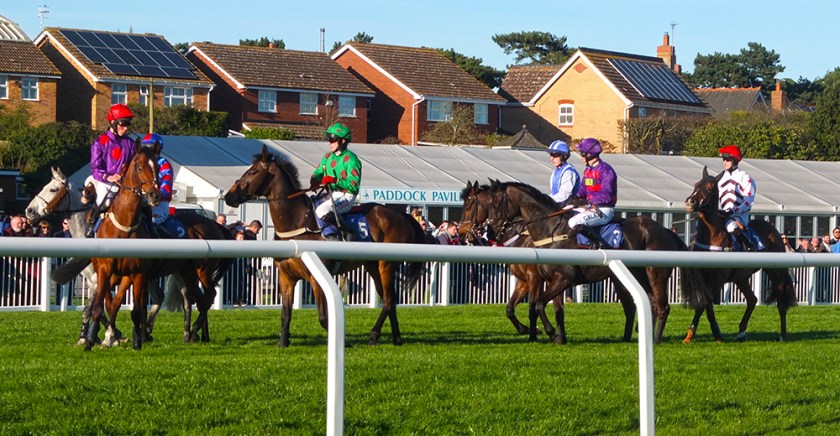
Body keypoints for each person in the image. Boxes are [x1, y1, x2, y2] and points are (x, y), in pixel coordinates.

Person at [85, 103, 137, 237]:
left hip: (125, 183)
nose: (126, 128)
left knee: (142, 202)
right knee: (104, 201)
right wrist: (109, 177)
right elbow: (95, 169)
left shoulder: (130, 143)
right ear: (113, 122)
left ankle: (151, 228)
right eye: (123, 124)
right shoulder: (99, 142)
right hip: (106, 182)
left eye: (128, 124)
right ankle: (91, 227)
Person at [309, 122, 361, 241]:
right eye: (328, 139)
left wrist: (335, 180)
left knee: (322, 210)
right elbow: (318, 171)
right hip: (331, 194)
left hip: (347, 196)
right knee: (310, 205)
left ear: (343, 141)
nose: (329, 142)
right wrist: (315, 179)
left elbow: (354, 186)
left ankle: (347, 233)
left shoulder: (352, 160)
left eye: (332, 139)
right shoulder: (327, 157)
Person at [568, 138, 617, 249]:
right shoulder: (588, 171)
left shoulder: (606, 170)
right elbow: (583, 190)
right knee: (566, 214)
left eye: (582, 153)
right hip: (590, 208)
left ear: (589, 154)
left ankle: (599, 244)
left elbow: (607, 195)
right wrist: (576, 198)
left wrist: (587, 201)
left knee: (573, 222)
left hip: (603, 210)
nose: (581, 157)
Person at [717, 144, 756, 252]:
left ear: (735, 160)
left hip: (740, 216)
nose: (725, 161)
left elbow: (749, 202)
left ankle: (748, 245)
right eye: (723, 159)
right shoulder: (721, 177)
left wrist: (734, 211)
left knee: (731, 227)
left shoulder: (744, 177)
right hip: (724, 214)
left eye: (727, 159)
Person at [141, 133, 174, 237]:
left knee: (153, 223)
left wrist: (152, 196)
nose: (149, 150)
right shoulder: (140, 164)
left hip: (158, 204)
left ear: (158, 149)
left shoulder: (164, 164)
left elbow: (166, 189)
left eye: (152, 148)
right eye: (146, 148)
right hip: (141, 202)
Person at [546, 140, 580, 207]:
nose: (551, 158)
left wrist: (546, 199)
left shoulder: (569, 172)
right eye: (551, 155)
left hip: (569, 206)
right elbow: (554, 193)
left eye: (554, 155)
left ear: (564, 156)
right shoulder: (556, 171)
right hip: (558, 204)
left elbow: (564, 195)